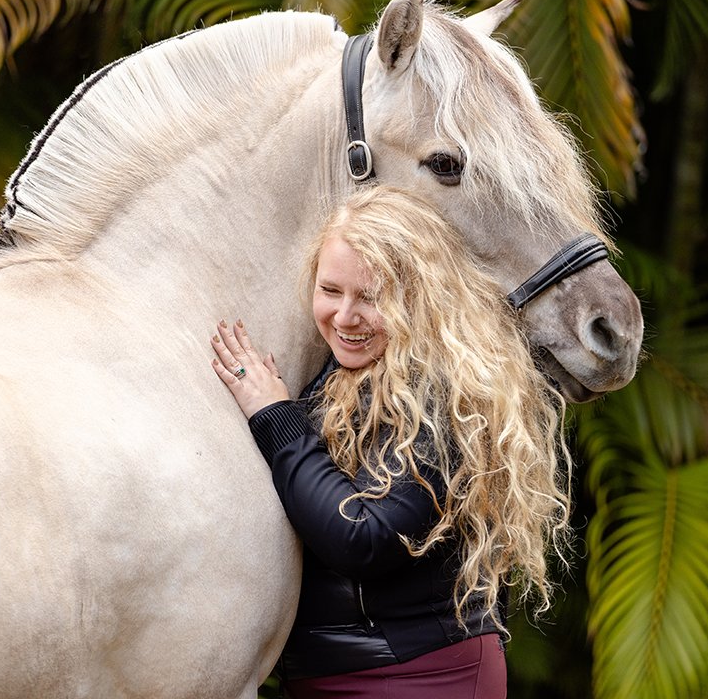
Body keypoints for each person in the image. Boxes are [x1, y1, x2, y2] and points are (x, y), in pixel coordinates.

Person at [209, 186, 572, 698]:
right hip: (329, 674)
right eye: (330, 290)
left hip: (420, 675)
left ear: (420, 299)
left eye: (372, 297)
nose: (345, 317)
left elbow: (364, 537)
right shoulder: (334, 381)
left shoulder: (445, 395)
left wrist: (275, 417)